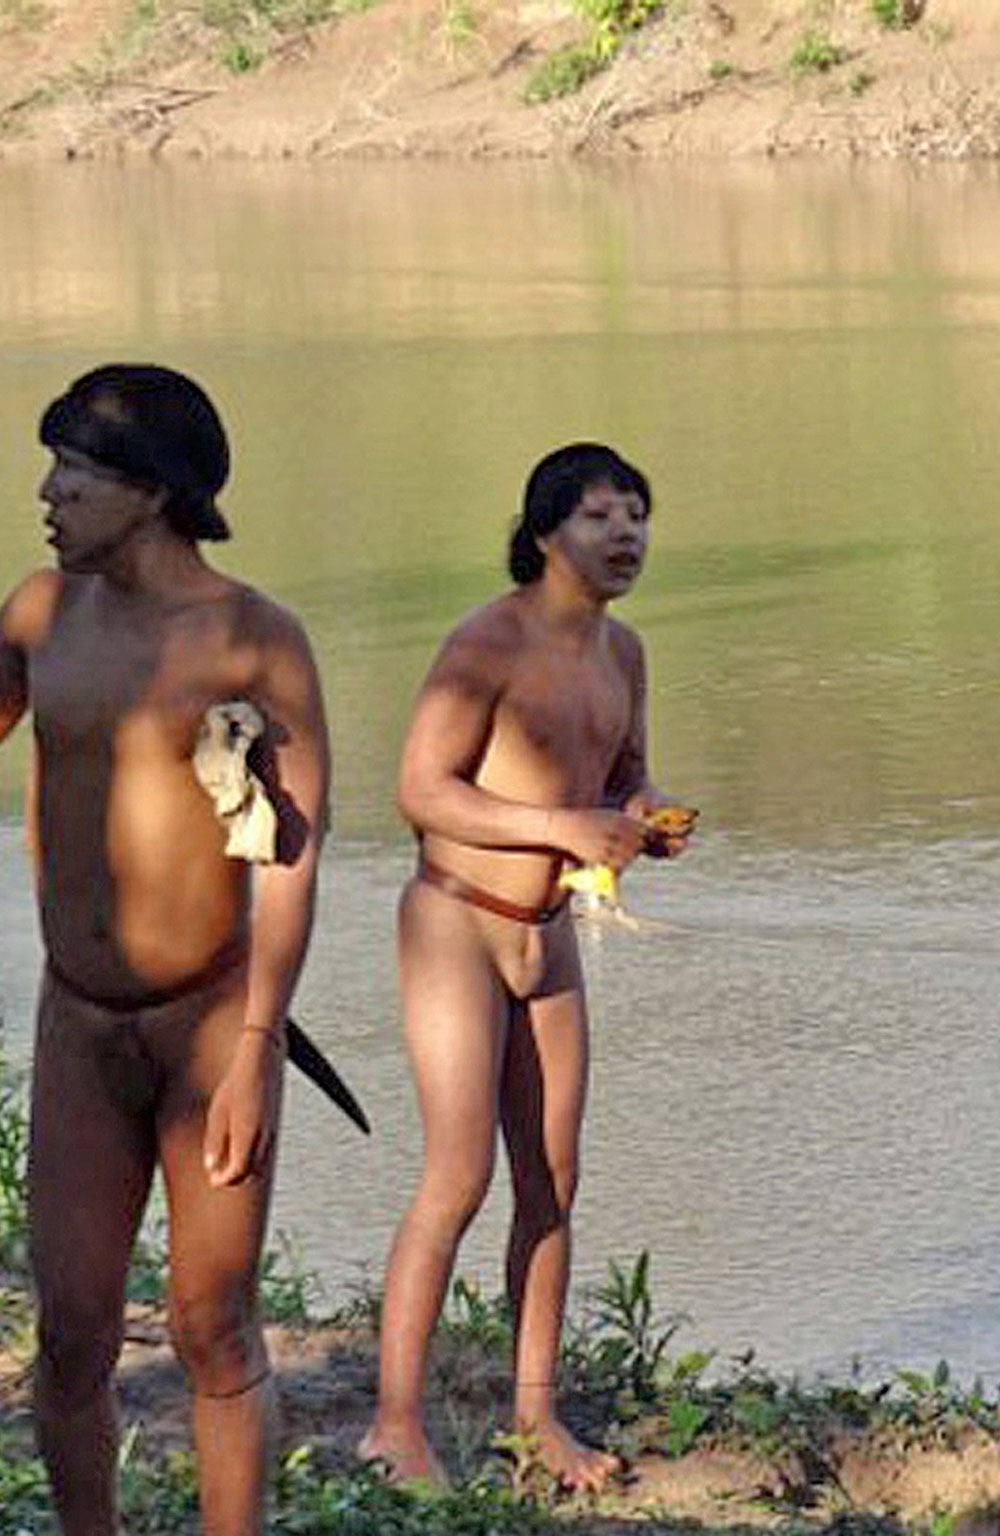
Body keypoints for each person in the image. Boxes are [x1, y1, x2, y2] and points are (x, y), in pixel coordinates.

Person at [0, 365, 329, 1536]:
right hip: (79, 1020)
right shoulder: (41, 612)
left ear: (151, 492)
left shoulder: (254, 638)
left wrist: (259, 1042)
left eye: (74, 472)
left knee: (212, 1324)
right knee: (69, 1332)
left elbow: (295, 854)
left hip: (208, 1023)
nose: (48, 495)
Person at [361, 442, 689, 1491]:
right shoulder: (485, 643)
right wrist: (562, 822)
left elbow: (625, 769)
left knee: (550, 1180)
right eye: (600, 515)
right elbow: (420, 788)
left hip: (546, 931)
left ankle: (536, 1419)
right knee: (456, 1176)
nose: (625, 534)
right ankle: (395, 1427)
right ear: (545, 532)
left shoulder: (622, 651)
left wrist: (639, 817)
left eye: (636, 513)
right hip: (455, 920)